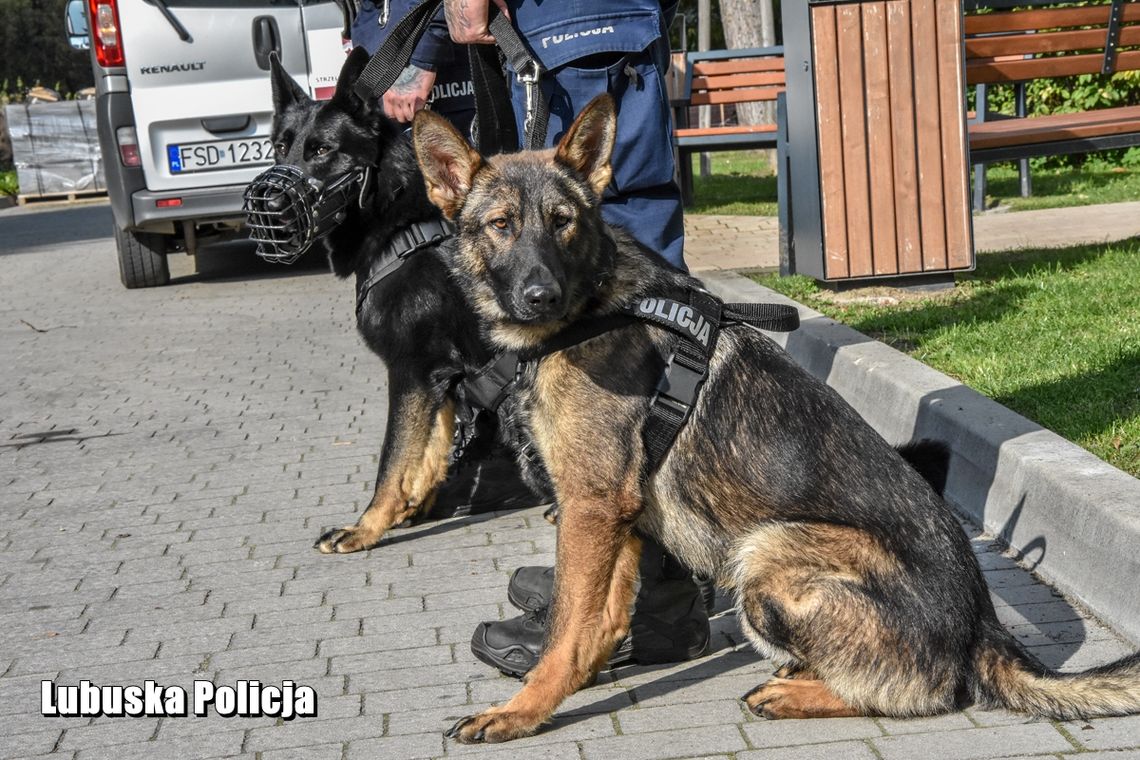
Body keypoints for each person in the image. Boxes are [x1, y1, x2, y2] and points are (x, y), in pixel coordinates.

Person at [439, 0, 713, 677]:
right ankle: (615, 577)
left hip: (581, 19)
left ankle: (649, 611)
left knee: (624, 262)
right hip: (567, 22)